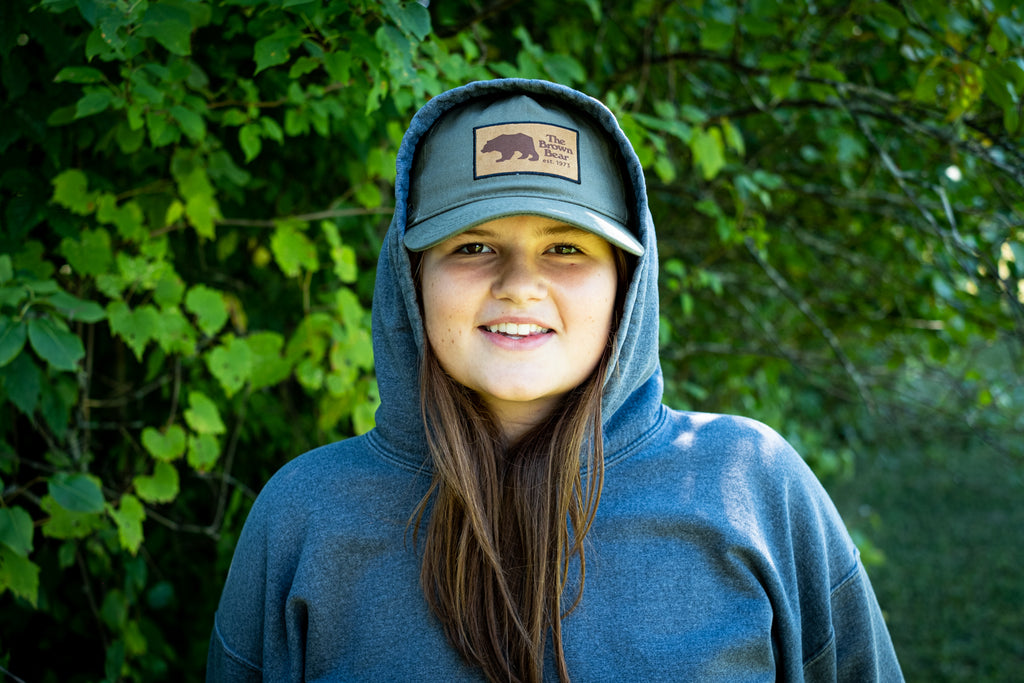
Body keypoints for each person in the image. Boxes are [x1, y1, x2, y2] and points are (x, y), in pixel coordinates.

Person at [206, 79, 903, 682]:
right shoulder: (304, 514)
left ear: (625, 284)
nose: (520, 286)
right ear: (411, 278)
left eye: (566, 248)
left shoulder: (751, 485)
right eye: (473, 246)